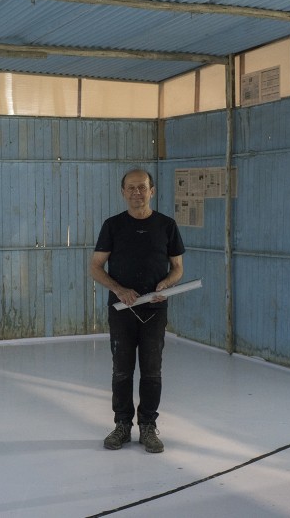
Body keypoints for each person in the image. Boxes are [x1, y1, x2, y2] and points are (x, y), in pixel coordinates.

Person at [89, 169, 185, 453]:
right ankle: (122, 425)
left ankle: (148, 427)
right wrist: (119, 290)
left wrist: (165, 285)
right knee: (122, 370)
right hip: (122, 310)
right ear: (123, 192)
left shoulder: (166, 225)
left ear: (152, 191)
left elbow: (178, 268)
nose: (136, 193)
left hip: (155, 310)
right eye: (131, 188)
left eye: (142, 187)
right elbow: (95, 267)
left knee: (152, 370)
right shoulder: (113, 226)